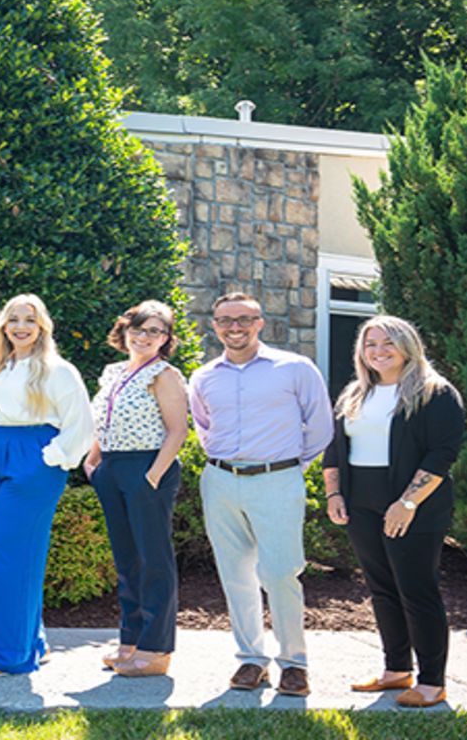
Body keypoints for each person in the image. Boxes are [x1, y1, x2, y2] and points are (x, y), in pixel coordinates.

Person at [188, 292, 333, 697]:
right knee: (235, 574)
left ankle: (294, 664)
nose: (234, 327)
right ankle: (251, 659)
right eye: (225, 320)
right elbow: (204, 427)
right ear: (215, 325)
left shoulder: (295, 368)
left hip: (277, 480)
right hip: (220, 481)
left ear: (260, 323)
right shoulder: (203, 377)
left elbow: (320, 427)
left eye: (244, 319)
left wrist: (289, 468)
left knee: (281, 572)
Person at [322, 316, 464, 708]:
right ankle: (396, 669)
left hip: (414, 505)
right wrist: (334, 494)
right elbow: (335, 447)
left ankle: (432, 681)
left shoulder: (434, 392)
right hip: (361, 503)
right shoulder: (355, 393)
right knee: (382, 588)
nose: (378, 351)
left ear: (407, 346)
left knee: (417, 589)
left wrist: (407, 502)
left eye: (388, 343)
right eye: (370, 344)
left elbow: (442, 453)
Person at [0, 294, 93, 680]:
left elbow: (81, 424)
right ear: (3, 326)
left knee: (9, 554)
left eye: (29, 319)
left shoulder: (57, 370)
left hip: (31, 459)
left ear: (42, 326)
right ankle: (31, 642)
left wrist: (50, 459)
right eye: (13, 319)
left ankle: (4, 655)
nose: (20, 326)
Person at [83, 300, 189, 677]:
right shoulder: (113, 372)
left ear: (166, 338)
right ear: (125, 331)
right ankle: (130, 640)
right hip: (112, 467)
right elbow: (103, 420)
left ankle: (156, 649)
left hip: (147, 467)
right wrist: (93, 461)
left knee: (152, 559)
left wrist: (153, 475)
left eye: (155, 331)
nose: (144, 337)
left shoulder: (164, 374)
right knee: (127, 559)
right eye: (139, 329)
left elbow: (178, 430)